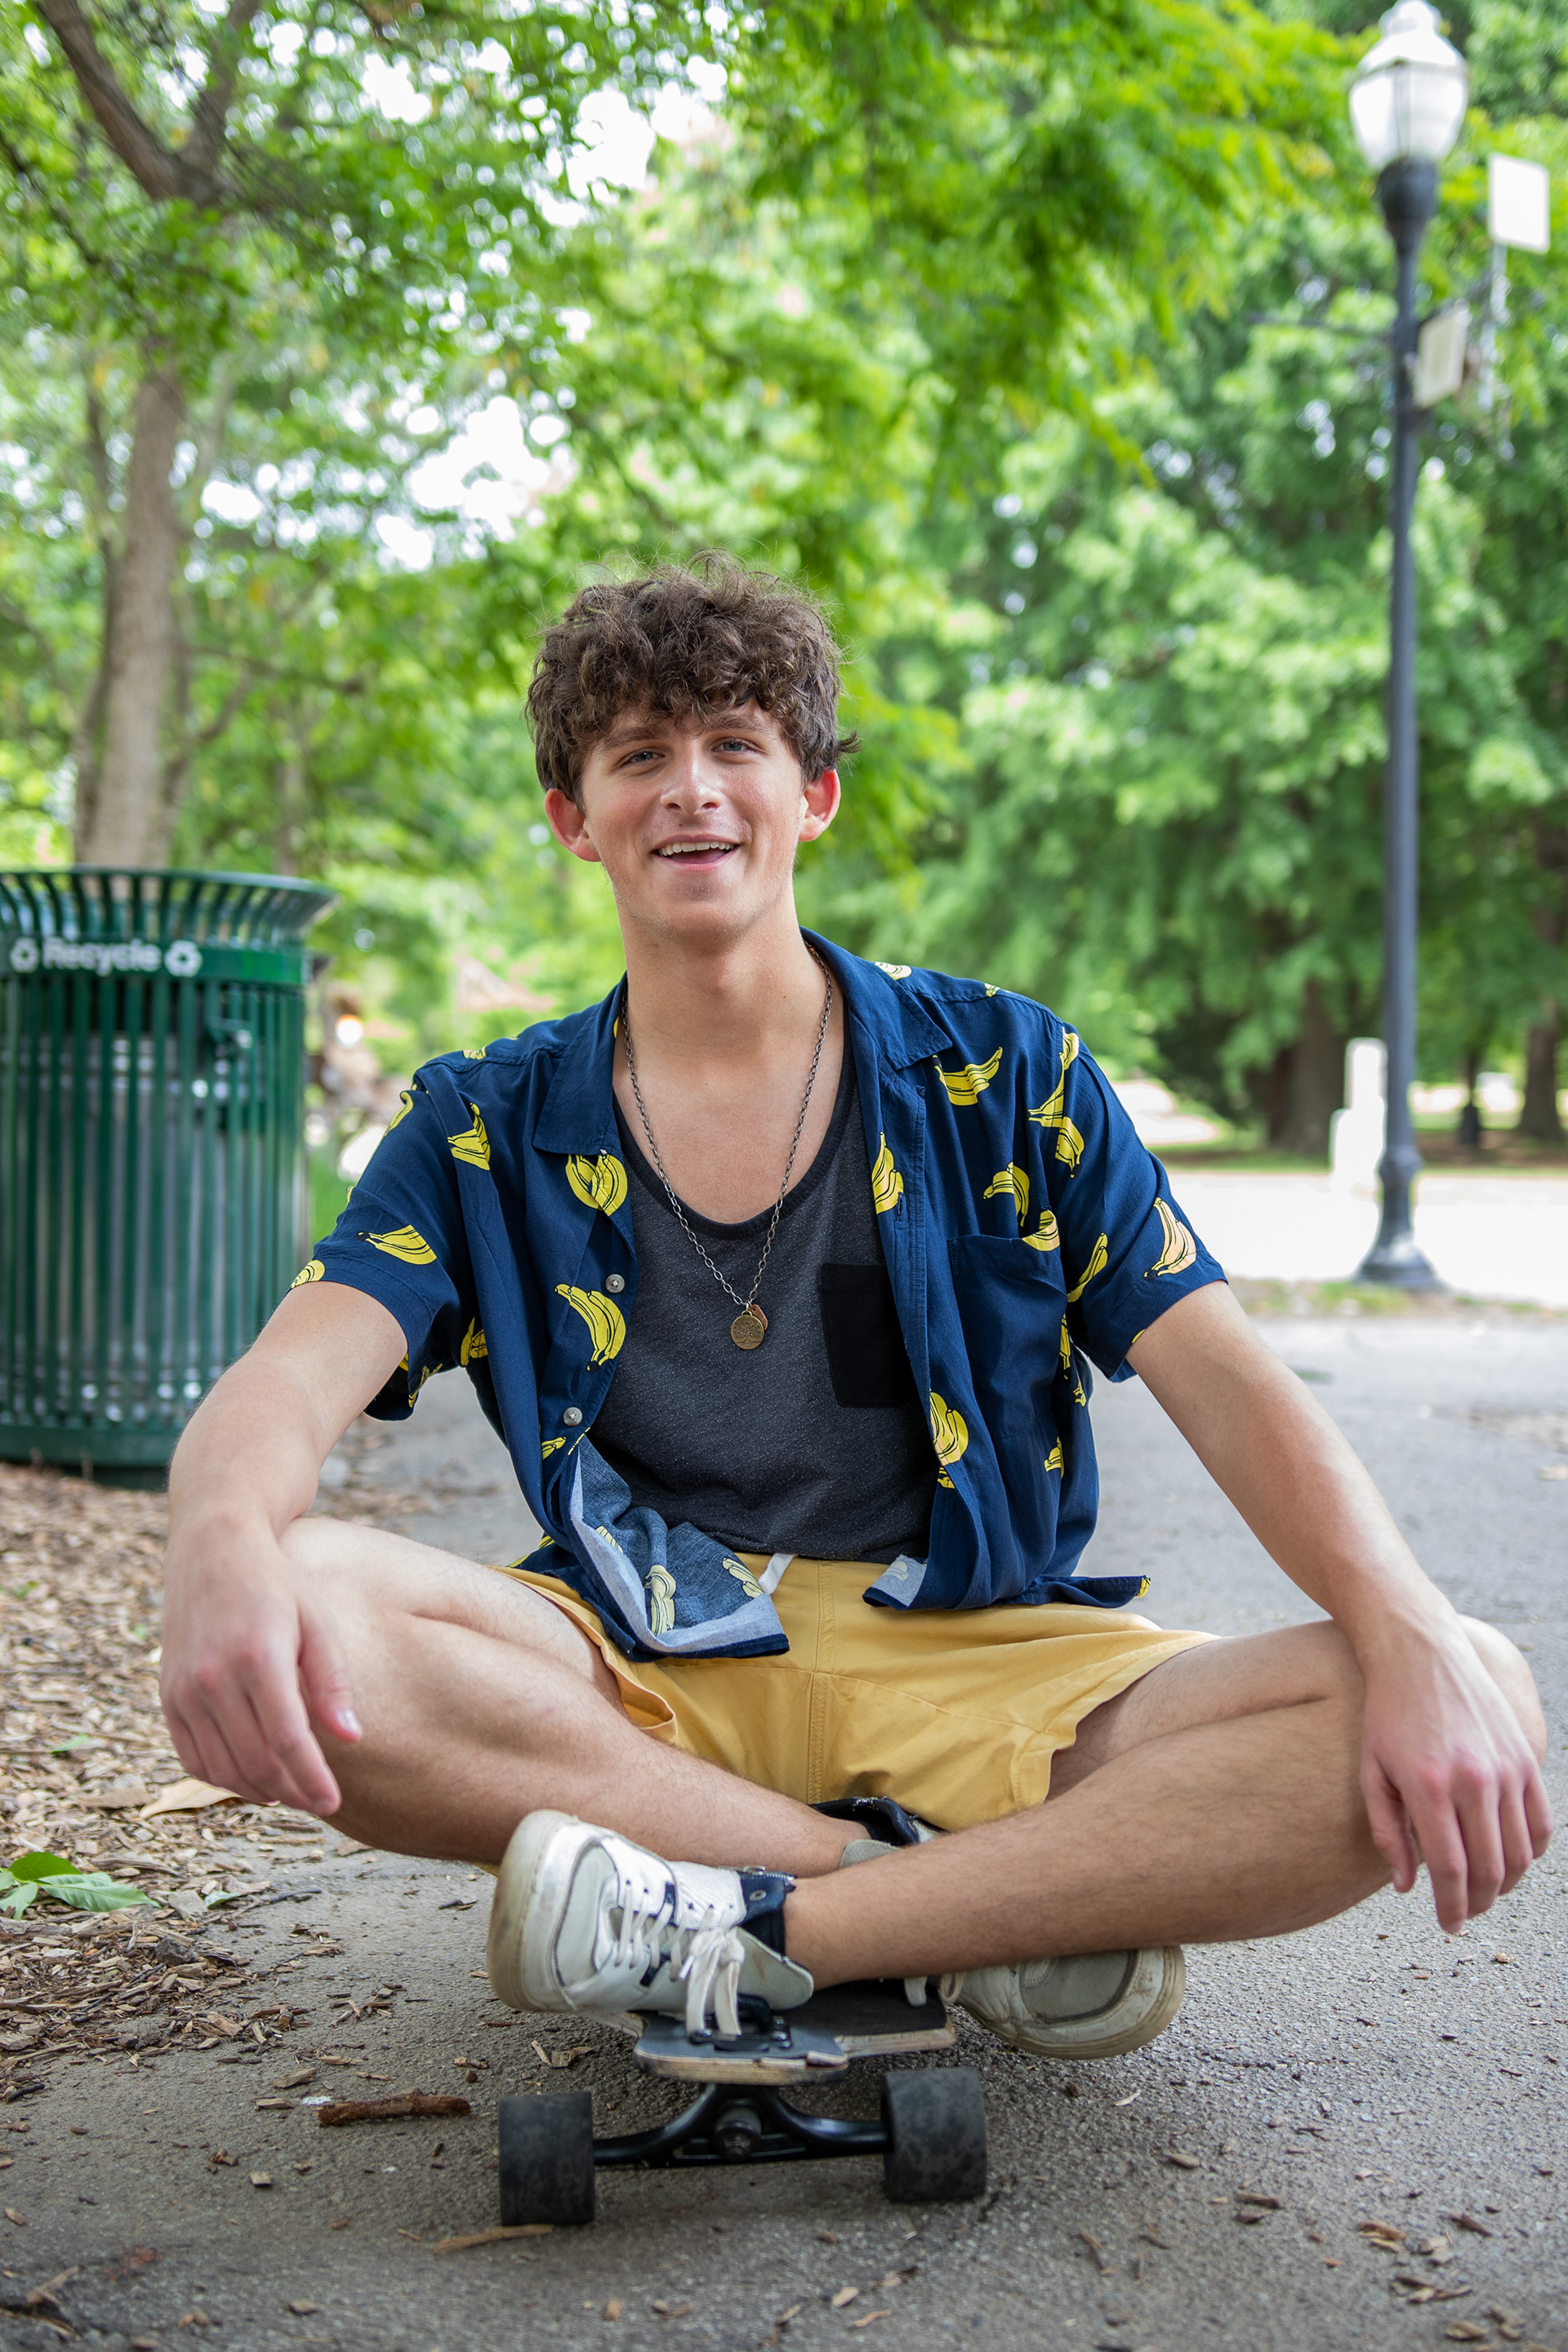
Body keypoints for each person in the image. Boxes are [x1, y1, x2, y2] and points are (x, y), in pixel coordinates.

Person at [160, 558, 1550, 2059]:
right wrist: (217, 1541)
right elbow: (290, 1380)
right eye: (639, 754)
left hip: (986, 1662)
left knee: (1467, 1681)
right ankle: (956, 1906)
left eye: (735, 744)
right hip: (638, 1678)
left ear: (811, 793)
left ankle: (750, 1933)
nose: (692, 789)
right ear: (575, 817)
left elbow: (1229, 1379)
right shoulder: (480, 1123)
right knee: (304, 1600)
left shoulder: (1007, 1072)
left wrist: (1405, 1631)